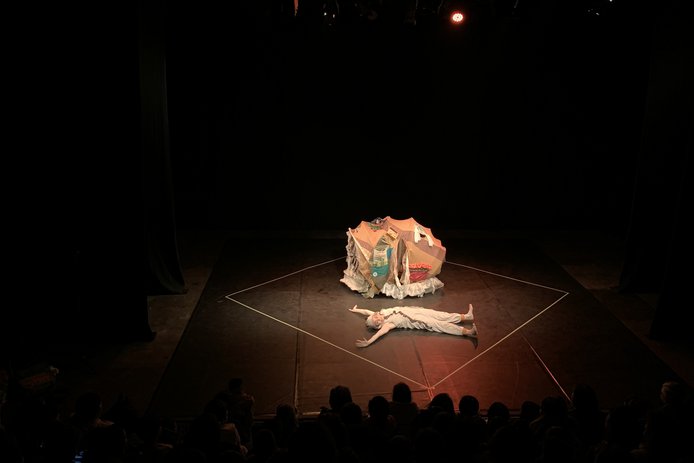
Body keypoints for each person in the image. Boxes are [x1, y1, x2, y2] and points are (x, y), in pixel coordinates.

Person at [349, 304, 477, 347]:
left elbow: (366, 311)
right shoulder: (387, 325)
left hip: (416, 311)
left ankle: (466, 316)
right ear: (378, 325)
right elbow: (379, 334)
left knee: (441, 315)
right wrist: (369, 342)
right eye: (376, 320)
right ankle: (467, 332)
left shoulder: (382, 313)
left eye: (375, 316)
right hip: (418, 321)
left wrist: (356, 310)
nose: (377, 317)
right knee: (440, 324)